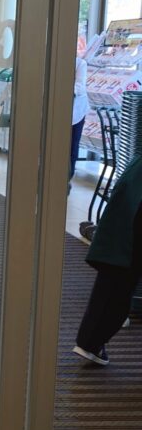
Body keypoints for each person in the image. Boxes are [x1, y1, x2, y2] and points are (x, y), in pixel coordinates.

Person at [74, 153, 142, 365]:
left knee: (116, 272)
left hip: (132, 195)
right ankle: (92, 340)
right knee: (120, 275)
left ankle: (90, 341)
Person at [70, 54, 88, 186]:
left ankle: (67, 177)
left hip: (77, 113)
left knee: (72, 144)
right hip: (57, 109)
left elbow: (80, 86)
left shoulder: (80, 64)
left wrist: (65, 90)